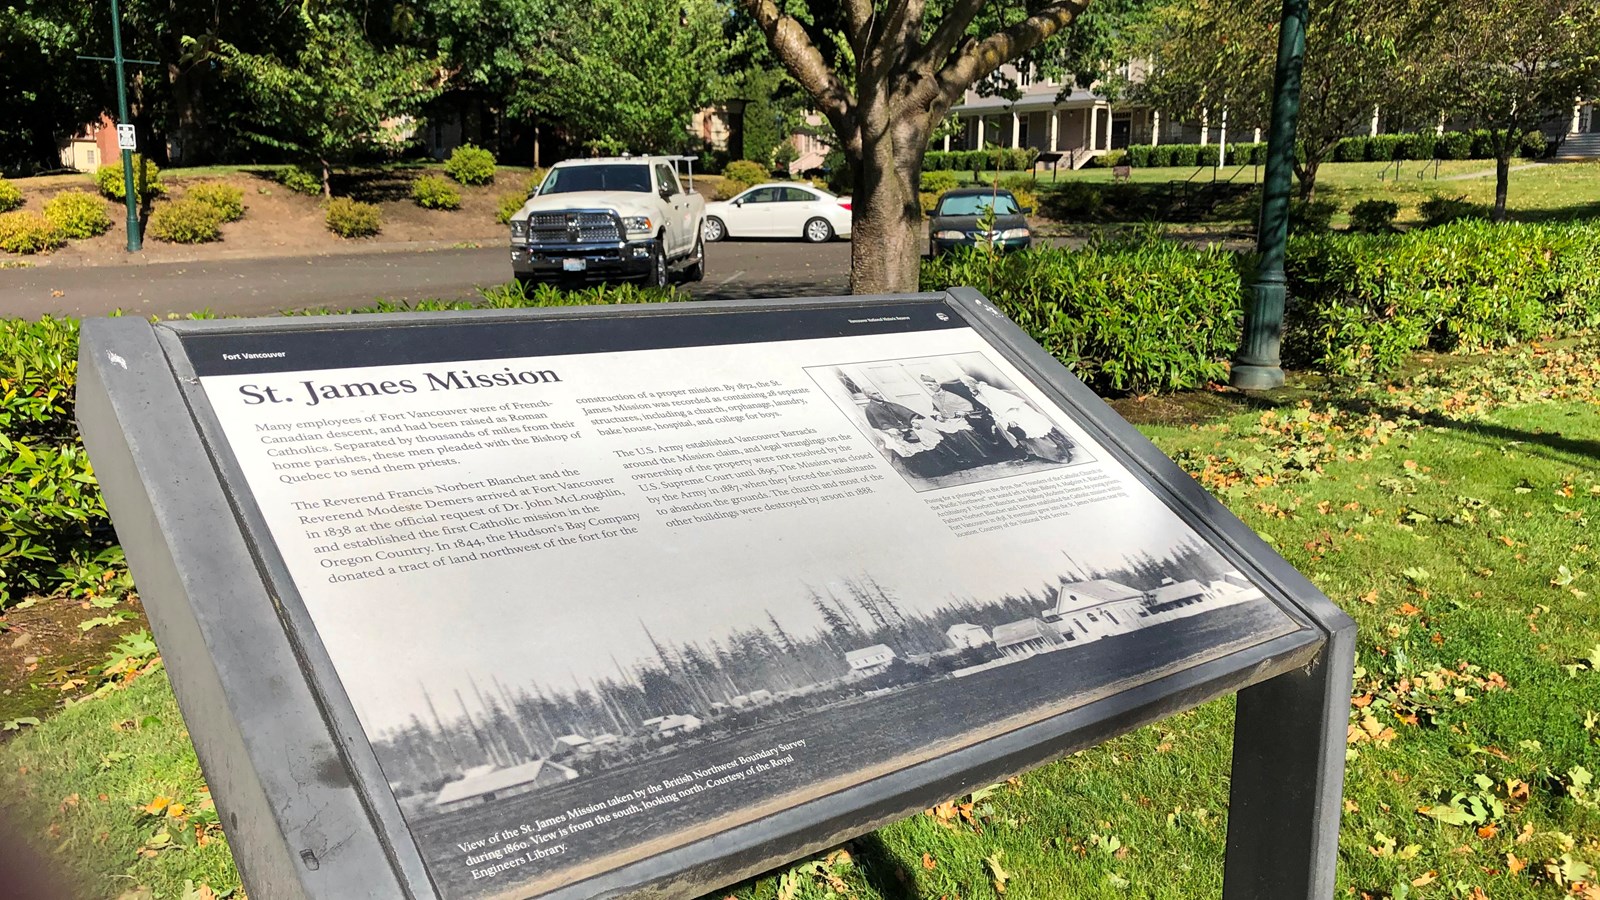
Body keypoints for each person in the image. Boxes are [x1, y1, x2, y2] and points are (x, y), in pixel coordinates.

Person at [961, 375, 1076, 463]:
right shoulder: (980, 392)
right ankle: (1033, 453)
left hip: (1013, 414)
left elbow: (1004, 404)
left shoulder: (987, 390)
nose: (967, 388)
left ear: (971, 383)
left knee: (1031, 432)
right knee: (1019, 436)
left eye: (967, 385)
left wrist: (1010, 419)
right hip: (1003, 417)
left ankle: (1060, 456)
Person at [858, 389, 960, 478]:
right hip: (892, 432)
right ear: (869, 396)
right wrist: (894, 429)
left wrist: (913, 421)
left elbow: (905, 413)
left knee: (930, 435)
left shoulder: (889, 404)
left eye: (878, 393)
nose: (879, 395)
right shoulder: (870, 409)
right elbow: (880, 424)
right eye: (875, 394)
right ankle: (930, 471)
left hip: (907, 428)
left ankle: (945, 464)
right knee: (909, 445)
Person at [919, 375, 991, 466]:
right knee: (942, 433)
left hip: (962, 419)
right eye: (927, 386)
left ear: (937, 384)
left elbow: (969, 406)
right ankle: (966, 458)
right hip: (947, 420)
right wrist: (937, 415)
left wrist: (964, 412)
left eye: (931, 385)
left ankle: (982, 456)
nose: (930, 387)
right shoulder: (934, 397)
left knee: (963, 432)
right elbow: (935, 409)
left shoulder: (952, 394)